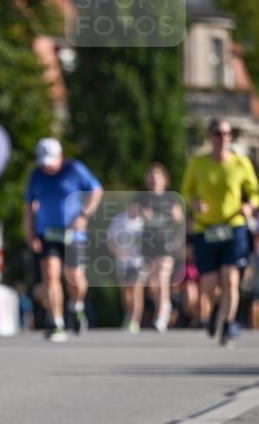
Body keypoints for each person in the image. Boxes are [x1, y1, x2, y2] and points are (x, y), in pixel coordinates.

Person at [181, 118, 259, 345]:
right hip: (206, 229)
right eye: (218, 133)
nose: (223, 138)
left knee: (231, 279)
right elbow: (185, 191)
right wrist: (194, 204)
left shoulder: (240, 163)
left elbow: (255, 192)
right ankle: (217, 308)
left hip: (234, 225)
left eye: (227, 134)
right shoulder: (198, 163)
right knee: (209, 285)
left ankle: (228, 324)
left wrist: (249, 205)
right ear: (210, 136)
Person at [23, 138, 103, 342]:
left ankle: (76, 306)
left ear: (60, 157)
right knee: (50, 275)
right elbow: (29, 208)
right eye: (44, 163)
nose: (47, 167)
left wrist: (84, 214)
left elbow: (96, 190)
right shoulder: (36, 176)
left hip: (73, 233)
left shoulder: (74, 169)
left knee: (75, 278)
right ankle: (56, 321)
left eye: (51, 162)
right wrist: (30, 234)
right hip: (47, 233)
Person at [132, 163, 184, 333]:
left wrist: (176, 218)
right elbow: (130, 213)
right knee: (152, 284)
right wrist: (139, 212)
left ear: (164, 179)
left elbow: (180, 219)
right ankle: (165, 304)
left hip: (165, 243)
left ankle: (160, 317)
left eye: (157, 175)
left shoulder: (171, 198)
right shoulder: (141, 198)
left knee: (162, 276)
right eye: (151, 175)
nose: (154, 179)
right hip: (147, 244)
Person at [107, 202, 144, 334]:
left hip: (139, 262)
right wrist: (118, 252)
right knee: (126, 292)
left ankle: (135, 321)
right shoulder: (119, 219)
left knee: (136, 291)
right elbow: (110, 239)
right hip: (122, 262)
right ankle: (128, 316)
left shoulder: (143, 221)